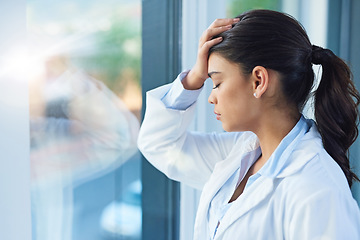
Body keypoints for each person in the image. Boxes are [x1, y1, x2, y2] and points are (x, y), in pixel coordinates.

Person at [137, 9, 360, 239]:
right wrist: (195, 76)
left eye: (217, 82)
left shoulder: (316, 187)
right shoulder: (240, 154)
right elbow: (160, 145)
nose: (210, 97)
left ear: (258, 81)